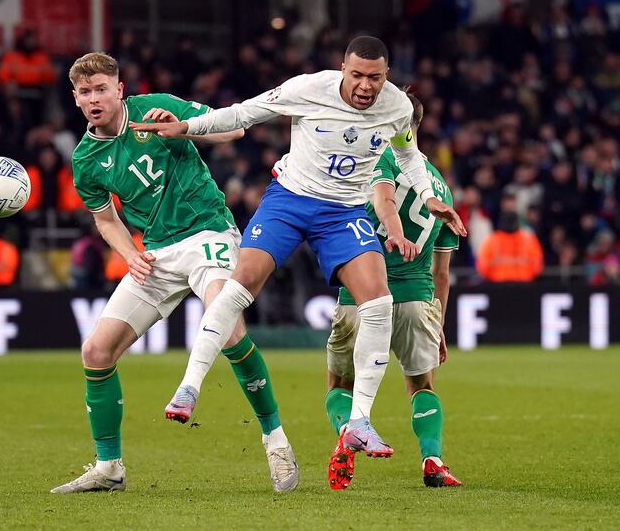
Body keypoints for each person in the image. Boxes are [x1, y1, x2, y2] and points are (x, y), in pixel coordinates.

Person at [132, 37, 466, 458]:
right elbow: (242, 114)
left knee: (379, 301)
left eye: (375, 78)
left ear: (387, 76)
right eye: (357, 75)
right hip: (291, 199)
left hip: (342, 212)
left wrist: (427, 194)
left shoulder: (397, 106)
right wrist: (188, 128)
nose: (365, 86)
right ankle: (188, 386)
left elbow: (407, 155)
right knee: (241, 284)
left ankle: (359, 421)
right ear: (343, 69)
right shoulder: (308, 88)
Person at [51, 52, 299, 494]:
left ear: (119, 89)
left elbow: (236, 128)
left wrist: (184, 127)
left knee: (229, 327)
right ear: (75, 99)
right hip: (158, 255)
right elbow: (106, 219)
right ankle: (109, 468)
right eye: (85, 92)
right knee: (96, 351)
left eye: (101, 89)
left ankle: (275, 440)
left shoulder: (155, 108)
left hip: (208, 232)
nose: (94, 98)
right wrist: (130, 253)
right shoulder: (86, 160)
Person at [325, 94, 462, 490]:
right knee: (421, 386)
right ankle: (433, 459)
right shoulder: (440, 186)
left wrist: (395, 233)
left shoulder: (377, 158)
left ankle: (346, 433)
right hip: (419, 299)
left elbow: (382, 198)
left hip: (362, 296)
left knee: (339, 385)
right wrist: (439, 324)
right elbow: (442, 273)